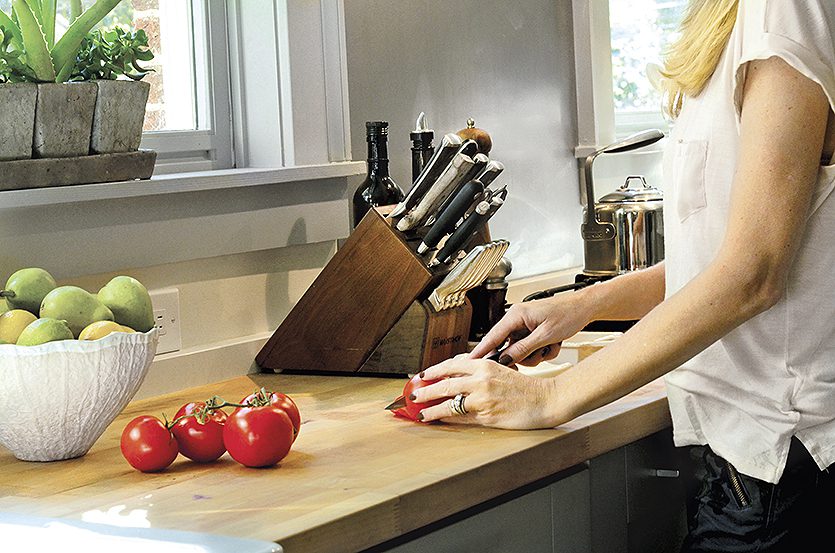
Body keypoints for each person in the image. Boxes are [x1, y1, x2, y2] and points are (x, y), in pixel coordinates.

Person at [411, 0, 835, 550]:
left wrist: (550, 396)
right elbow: (730, 251)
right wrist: (585, 303)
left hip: (784, 462)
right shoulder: (737, 16)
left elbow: (753, 274)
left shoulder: (785, 10)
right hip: (761, 465)